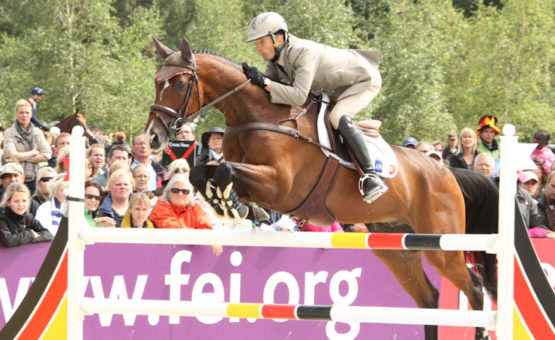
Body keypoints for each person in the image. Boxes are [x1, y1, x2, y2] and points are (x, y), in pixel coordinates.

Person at [243, 12, 387, 203]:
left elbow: (298, 95)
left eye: (261, 42)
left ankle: (371, 176)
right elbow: (269, 89)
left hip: (363, 81)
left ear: (278, 38)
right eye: (256, 43)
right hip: (334, 86)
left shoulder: (303, 51)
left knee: (338, 117)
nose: (258, 48)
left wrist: (265, 82)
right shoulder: (275, 60)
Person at [150, 174, 222, 255]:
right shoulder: (160, 206)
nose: (180, 194)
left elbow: (206, 228)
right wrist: (200, 235)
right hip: (162, 255)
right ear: (168, 192)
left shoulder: (194, 207)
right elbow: (174, 232)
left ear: (190, 195)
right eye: (175, 190)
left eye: (185, 191)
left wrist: (209, 238)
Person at [3, 99, 52, 194]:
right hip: (15, 180)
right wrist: (32, 153)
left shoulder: (38, 132)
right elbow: (11, 155)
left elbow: (47, 154)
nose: (24, 115)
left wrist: (21, 157)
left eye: (27, 112)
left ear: (31, 114)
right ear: (16, 114)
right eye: (21, 113)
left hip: (35, 179)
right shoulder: (9, 133)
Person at [0, 183, 52, 248]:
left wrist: (28, 238)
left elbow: (48, 235)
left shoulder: (28, 216)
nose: (21, 205)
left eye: (24, 201)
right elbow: (8, 241)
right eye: (16, 201)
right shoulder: (2, 217)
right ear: (8, 202)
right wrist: (30, 234)